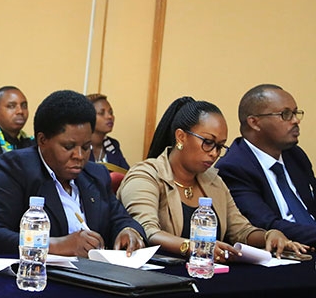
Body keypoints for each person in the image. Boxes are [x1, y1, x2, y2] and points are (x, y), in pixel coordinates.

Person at [117, 96, 307, 261]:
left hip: (206, 272)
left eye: (220, 146)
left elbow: (241, 230)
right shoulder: (146, 175)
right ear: (181, 137)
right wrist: (192, 246)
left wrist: (269, 236)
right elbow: (146, 231)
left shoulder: (213, 181)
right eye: (208, 142)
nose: (214, 153)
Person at [0, 90, 146, 256]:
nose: (79, 156)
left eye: (86, 147)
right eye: (68, 147)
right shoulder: (13, 169)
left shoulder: (96, 174)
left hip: (95, 270)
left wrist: (128, 231)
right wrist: (55, 245)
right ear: (42, 140)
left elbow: (121, 218)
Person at [216, 84, 316, 246]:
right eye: (286, 114)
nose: (296, 120)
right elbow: (267, 225)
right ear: (254, 122)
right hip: (285, 251)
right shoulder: (234, 168)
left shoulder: (295, 155)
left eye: (295, 113)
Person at [86, 93, 129, 170]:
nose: (110, 117)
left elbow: (126, 173)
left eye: (111, 112)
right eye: (101, 113)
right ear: (88, 117)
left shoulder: (113, 145)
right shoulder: (80, 147)